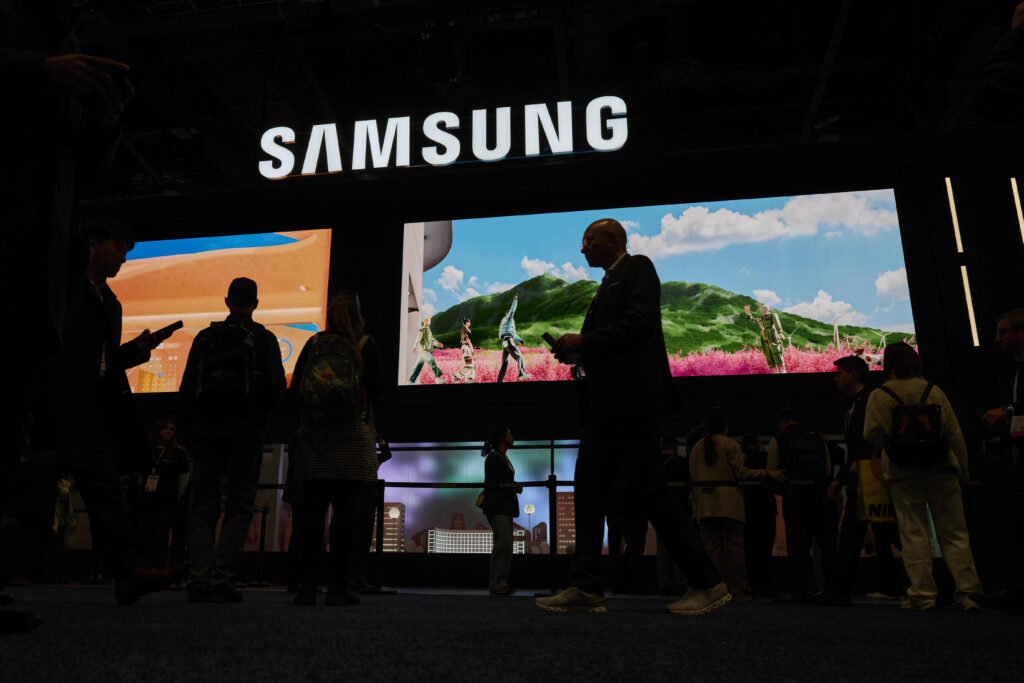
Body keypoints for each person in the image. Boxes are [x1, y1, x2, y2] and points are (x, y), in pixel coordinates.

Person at [2, 4, 135, 628]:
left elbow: (82, 167)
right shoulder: (34, 40)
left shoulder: (69, 39)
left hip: (36, 263)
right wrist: (41, 70)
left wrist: (108, 119)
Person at [538, 218, 729, 615]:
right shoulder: (609, 281)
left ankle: (707, 582)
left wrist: (585, 340)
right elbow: (616, 339)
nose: (582, 248)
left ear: (612, 239)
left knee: (650, 491)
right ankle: (586, 584)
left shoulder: (637, 267)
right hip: (607, 406)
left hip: (629, 404)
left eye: (588, 239)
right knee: (591, 489)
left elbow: (640, 324)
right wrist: (579, 352)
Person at [56, 220, 184, 605]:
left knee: (106, 490)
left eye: (126, 252)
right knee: (33, 491)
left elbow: (105, 363)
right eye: (118, 248)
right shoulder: (64, 288)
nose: (123, 259)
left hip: (95, 406)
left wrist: (136, 351)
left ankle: (129, 573)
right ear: (93, 243)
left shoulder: (111, 303)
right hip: (57, 402)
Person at [180, 277, 285, 603]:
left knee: (202, 505)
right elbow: (276, 387)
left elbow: (187, 390)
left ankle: (198, 579)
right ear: (256, 304)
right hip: (245, 434)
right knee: (239, 506)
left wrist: (189, 432)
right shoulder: (264, 338)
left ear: (227, 302)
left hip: (205, 433)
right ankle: (223, 580)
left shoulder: (204, 337)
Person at [863, 342, 983, 611]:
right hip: (942, 469)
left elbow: (871, 435)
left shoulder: (880, 395)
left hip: (902, 473)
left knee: (913, 534)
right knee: (955, 533)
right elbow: (954, 433)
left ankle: (922, 595)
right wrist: (963, 469)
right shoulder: (933, 390)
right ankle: (969, 593)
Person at [291, 292, 383, 606]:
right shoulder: (365, 344)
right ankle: (338, 588)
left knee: (312, 515)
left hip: (314, 436)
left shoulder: (315, 344)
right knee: (346, 515)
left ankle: (307, 587)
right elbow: (378, 389)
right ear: (357, 317)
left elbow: (297, 388)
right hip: (352, 436)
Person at [818, 356, 904, 606]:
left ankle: (840, 590)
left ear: (854, 374)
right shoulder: (856, 402)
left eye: (839, 373)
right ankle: (895, 585)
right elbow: (856, 446)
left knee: (855, 531)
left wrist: (855, 466)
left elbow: (874, 437)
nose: (835, 378)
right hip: (865, 473)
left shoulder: (867, 400)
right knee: (883, 531)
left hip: (869, 474)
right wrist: (842, 476)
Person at [690, 408, 785, 601]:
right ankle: (738, 587)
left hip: (705, 506)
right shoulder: (730, 444)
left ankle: (716, 587)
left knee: (712, 548)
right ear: (725, 426)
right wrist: (766, 472)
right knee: (734, 548)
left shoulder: (697, 448)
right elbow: (742, 473)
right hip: (730, 505)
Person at [976, 308, 1024, 614]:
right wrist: (1005, 439)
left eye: (1002, 332)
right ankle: (1016, 592)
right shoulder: (1017, 369)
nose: (997, 339)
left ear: (1021, 333)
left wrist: (1007, 411)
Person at [767, 409, 836, 600]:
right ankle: (831, 588)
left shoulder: (778, 440)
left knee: (798, 545)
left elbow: (772, 470)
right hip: (819, 497)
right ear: (797, 422)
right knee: (825, 544)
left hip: (794, 498)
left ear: (782, 423)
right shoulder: (818, 439)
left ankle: (803, 589)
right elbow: (828, 469)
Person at [135, 418, 189, 569]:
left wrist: (177, 496)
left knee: (161, 536)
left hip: (167, 500)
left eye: (172, 429)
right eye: (166, 428)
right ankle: (145, 568)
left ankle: (159, 569)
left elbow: (183, 478)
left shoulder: (178, 453)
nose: (169, 432)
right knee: (145, 536)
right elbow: (140, 473)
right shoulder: (147, 450)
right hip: (146, 500)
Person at [480, 426, 521, 595]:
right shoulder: (494, 458)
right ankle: (498, 584)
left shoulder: (502, 457)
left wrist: (512, 486)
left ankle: (500, 584)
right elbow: (492, 482)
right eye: (510, 434)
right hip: (497, 506)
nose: (513, 436)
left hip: (504, 507)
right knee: (503, 544)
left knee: (505, 545)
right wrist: (513, 485)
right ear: (502, 438)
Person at [741, 435, 778, 598]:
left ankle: (750, 584)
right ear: (758, 445)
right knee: (765, 549)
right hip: (766, 507)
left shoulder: (742, 460)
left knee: (748, 549)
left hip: (747, 508)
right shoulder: (765, 458)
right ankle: (765, 585)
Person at [743, 304, 787, 373]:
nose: (761, 309)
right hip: (764, 336)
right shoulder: (760, 318)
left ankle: (783, 369)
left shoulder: (772, 315)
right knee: (768, 353)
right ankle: (775, 371)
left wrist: (780, 332)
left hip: (772, 334)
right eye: (761, 308)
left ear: (766, 309)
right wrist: (747, 312)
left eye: (762, 308)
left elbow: (777, 323)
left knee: (776, 351)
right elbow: (751, 319)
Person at [497, 293, 531, 382]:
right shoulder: (508, 319)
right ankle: (521, 373)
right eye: (509, 314)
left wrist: (520, 340)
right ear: (507, 314)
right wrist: (515, 300)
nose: (511, 315)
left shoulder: (505, 322)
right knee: (519, 356)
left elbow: (513, 334)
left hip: (505, 341)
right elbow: (512, 311)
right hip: (508, 341)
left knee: (504, 362)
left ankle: (499, 380)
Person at [408, 317, 445, 384]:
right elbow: (418, 338)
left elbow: (430, 339)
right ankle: (438, 379)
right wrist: (415, 347)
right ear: (426, 322)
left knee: (418, 366)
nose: (430, 322)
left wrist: (437, 344)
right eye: (429, 321)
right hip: (424, 350)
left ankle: (410, 381)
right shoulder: (423, 329)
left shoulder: (428, 329)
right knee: (432, 362)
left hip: (423, 351)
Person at [453, 318, 477, 383]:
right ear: (466, 323)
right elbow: (467, 340)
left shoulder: (467, 329)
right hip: (466, 348)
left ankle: (469, 380)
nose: (470, 323)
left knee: (471, 365)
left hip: (467, 347)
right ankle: (457, 376)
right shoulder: (464, 330)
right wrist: (472, 348)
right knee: (469, 365)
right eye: (469, 322)